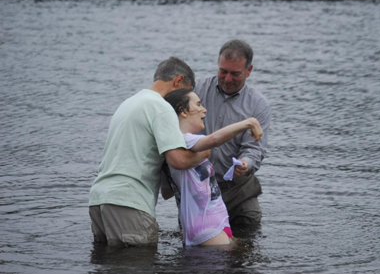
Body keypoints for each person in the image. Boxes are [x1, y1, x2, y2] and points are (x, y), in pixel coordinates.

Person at [88, 57, 210, 247]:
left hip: (99, 199)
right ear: (178, 81)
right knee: (137, 264)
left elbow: (165, 189)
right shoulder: (161, 108)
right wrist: (206, 150)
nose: (183, 103)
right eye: (186, 94)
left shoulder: (129, 103)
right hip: (130, 202)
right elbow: (178, 160)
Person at [161, 88, 263, 246]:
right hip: (205, 226)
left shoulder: (181, 145)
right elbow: (214, 139)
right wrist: (249, 123)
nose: (204, 109)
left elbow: (166, 192)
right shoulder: (183, 140)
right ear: (183, 112)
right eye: (199, 104)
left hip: (215, 222)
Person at [194, 39, 271, 227]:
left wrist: (246, 164)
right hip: (199, 185)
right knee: (195, 236)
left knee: (249, 224)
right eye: (223, 71)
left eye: (235, 74)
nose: (227, 79)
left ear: (249, 70)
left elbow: (254, 149)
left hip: (238, 188)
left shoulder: (258, 105)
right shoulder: (196, 91)